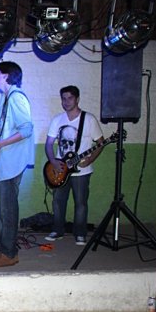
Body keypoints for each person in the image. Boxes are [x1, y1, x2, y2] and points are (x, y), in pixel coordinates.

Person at [0, 61, 34, 268]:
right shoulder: (6, 98)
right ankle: (7, 250)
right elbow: (4, 132)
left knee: (7, 210)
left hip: (13, 162)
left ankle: (8, 253)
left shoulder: (16, 97)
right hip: (5, 162)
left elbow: (27, 129)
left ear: (5, 76)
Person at [45, 85, 104, 246]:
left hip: (82, 171)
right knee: (58, 201)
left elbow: (100, 143)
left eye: (70, 98)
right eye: (63, 98)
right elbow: (49, 144)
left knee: (81, 203)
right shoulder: (57, 120)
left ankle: (80, 233)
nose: (66, 102)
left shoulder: (89, 119)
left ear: (77, 99)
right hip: (60, 170)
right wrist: (53, 161)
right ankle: (57, 230)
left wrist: (90, 160)